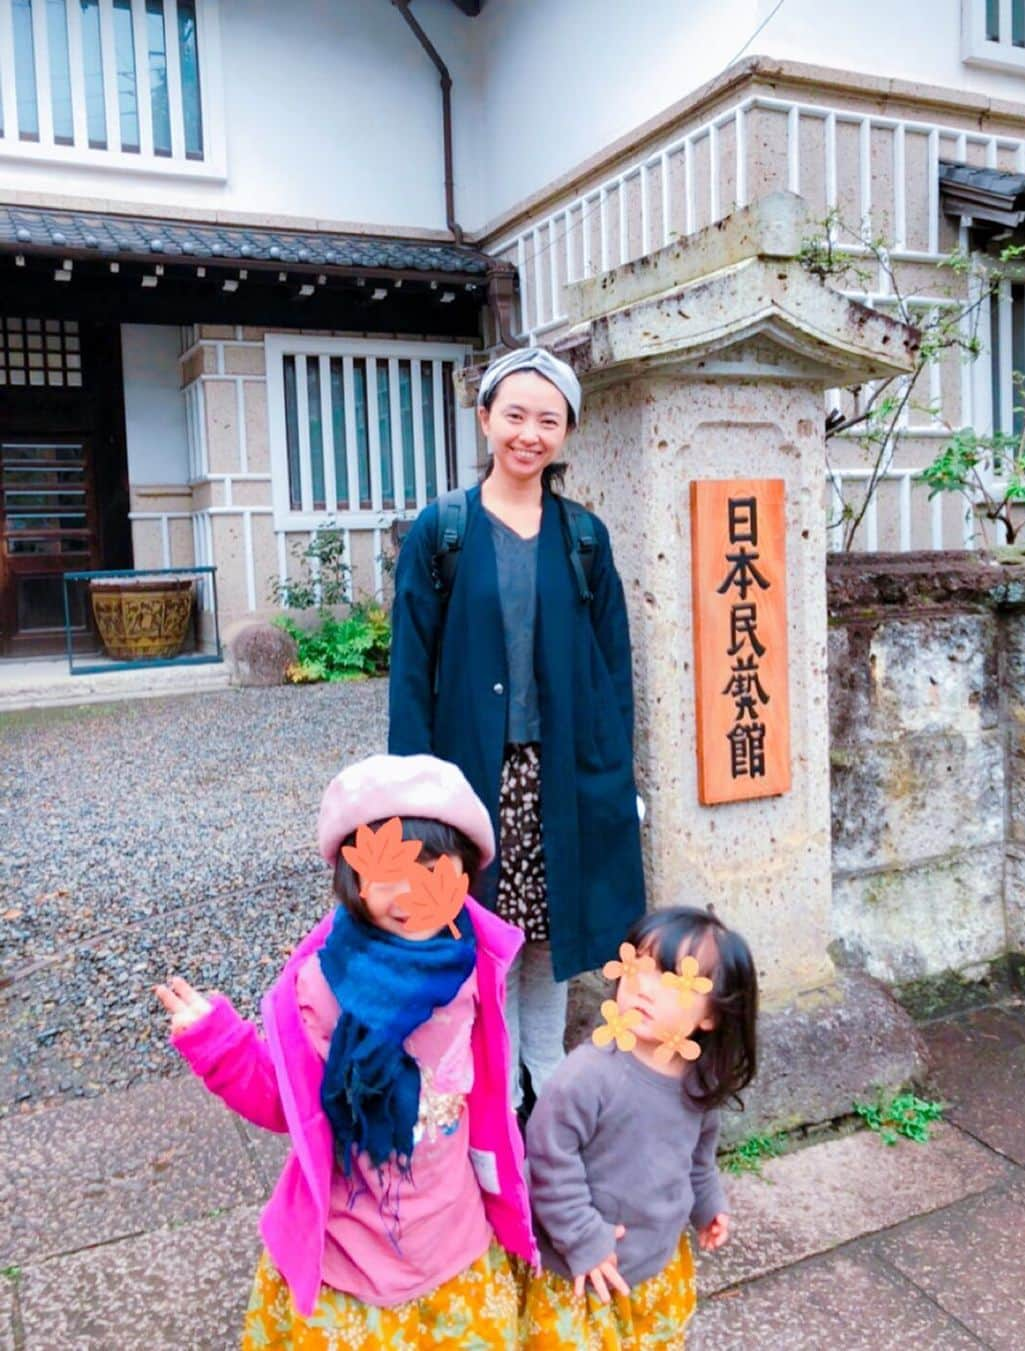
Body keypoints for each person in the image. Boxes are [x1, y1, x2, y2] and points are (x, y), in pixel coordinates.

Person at [153, 753, 536, 1350]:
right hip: (349, 1262)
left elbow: (486, 1091)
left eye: (433, 869)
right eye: (388, 874)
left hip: (454, 1249)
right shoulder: (325, 987)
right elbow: (288, 1103)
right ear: (353, 880)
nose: (411, 895)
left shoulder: (472, 966)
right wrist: (218, 1042)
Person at [389, 345, 646, 1113]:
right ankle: (493, 1106)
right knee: (482, 942)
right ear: (484, 419)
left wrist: (619, 783)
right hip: (473, 777)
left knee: (550, 936)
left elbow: (613, 670)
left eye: (548, 419)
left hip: (561, 773)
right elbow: (410, 670)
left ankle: (546, 1094)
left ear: (566, 431)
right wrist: (412, 795)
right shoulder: (445, 531)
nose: (529, 434)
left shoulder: (584, 539)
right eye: (515, 415)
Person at [521, 905, 758, 1350]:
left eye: (673, 980)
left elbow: (697, 1157)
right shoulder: (588, 1074)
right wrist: (582, 1238)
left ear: (711, 1016)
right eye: (638, 967)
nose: (644, 988)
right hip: (583, 1271)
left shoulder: (698, 1080)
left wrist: (708, 1204)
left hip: (654, 1263)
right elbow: (548, 1162)